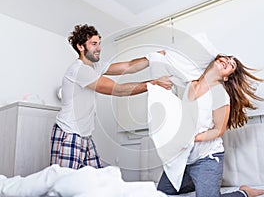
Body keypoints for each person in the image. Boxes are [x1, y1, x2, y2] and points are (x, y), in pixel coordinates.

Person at [50, 24, 173, 169]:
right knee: (63, 183)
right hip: (69, 134)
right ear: (81, 47)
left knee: (96, 181)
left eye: (99, 43)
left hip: (85, 135)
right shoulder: (79, 71)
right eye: (94, 44)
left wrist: (153, 58)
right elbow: (118, 90)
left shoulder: (95, 66)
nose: (99, 48)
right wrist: (153, 84)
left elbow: (128, 66)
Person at [156, 53, 264, 197]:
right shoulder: (190, 83)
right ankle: (196, 181)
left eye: (232, 65)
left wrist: (192, 138)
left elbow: (218, 130)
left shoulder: (220, 96)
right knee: (159, 194)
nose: (228, 62)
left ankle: (244, 192)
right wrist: (163, 57)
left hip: (206, 158)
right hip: (183, 157)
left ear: (226, 77)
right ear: (216, 59)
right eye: (227, 59)